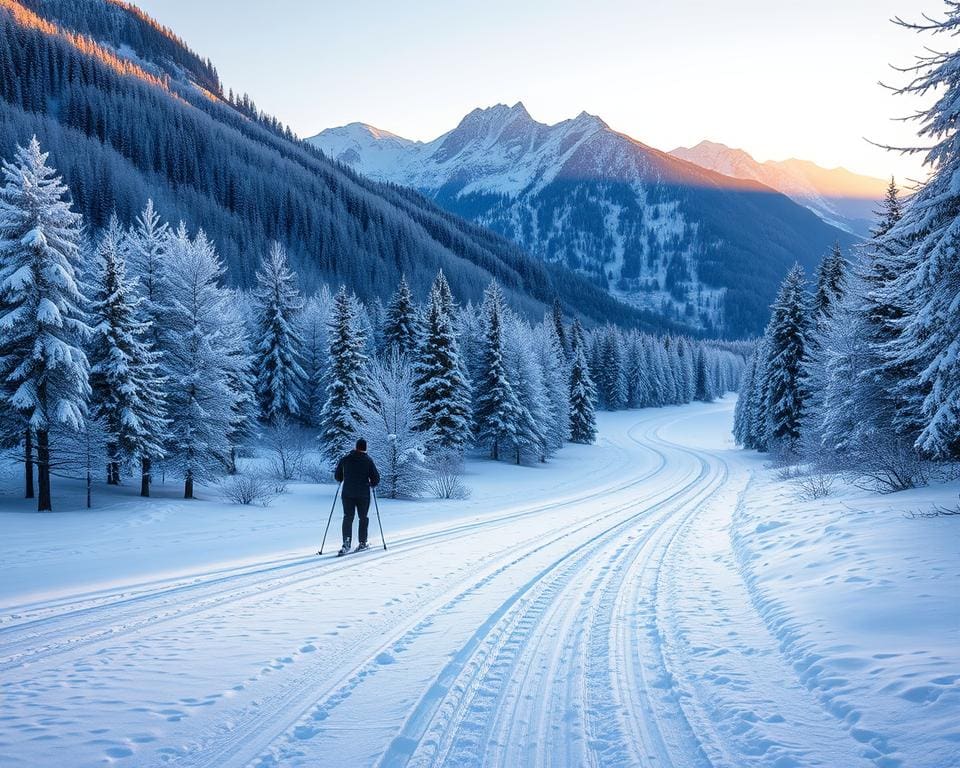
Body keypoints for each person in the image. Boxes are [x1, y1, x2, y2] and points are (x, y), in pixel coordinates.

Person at [334, 438, 380, 555]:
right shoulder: (368, 460)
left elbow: (338, 476)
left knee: (348, 517)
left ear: (356, 447)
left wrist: (345, 478)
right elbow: (376, 479)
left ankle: (346, 543)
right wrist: (371, 483)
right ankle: (362, 542)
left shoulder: (345, 459)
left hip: (347, 494)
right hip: (363, 495)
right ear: (365, 448)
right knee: (363, 518)